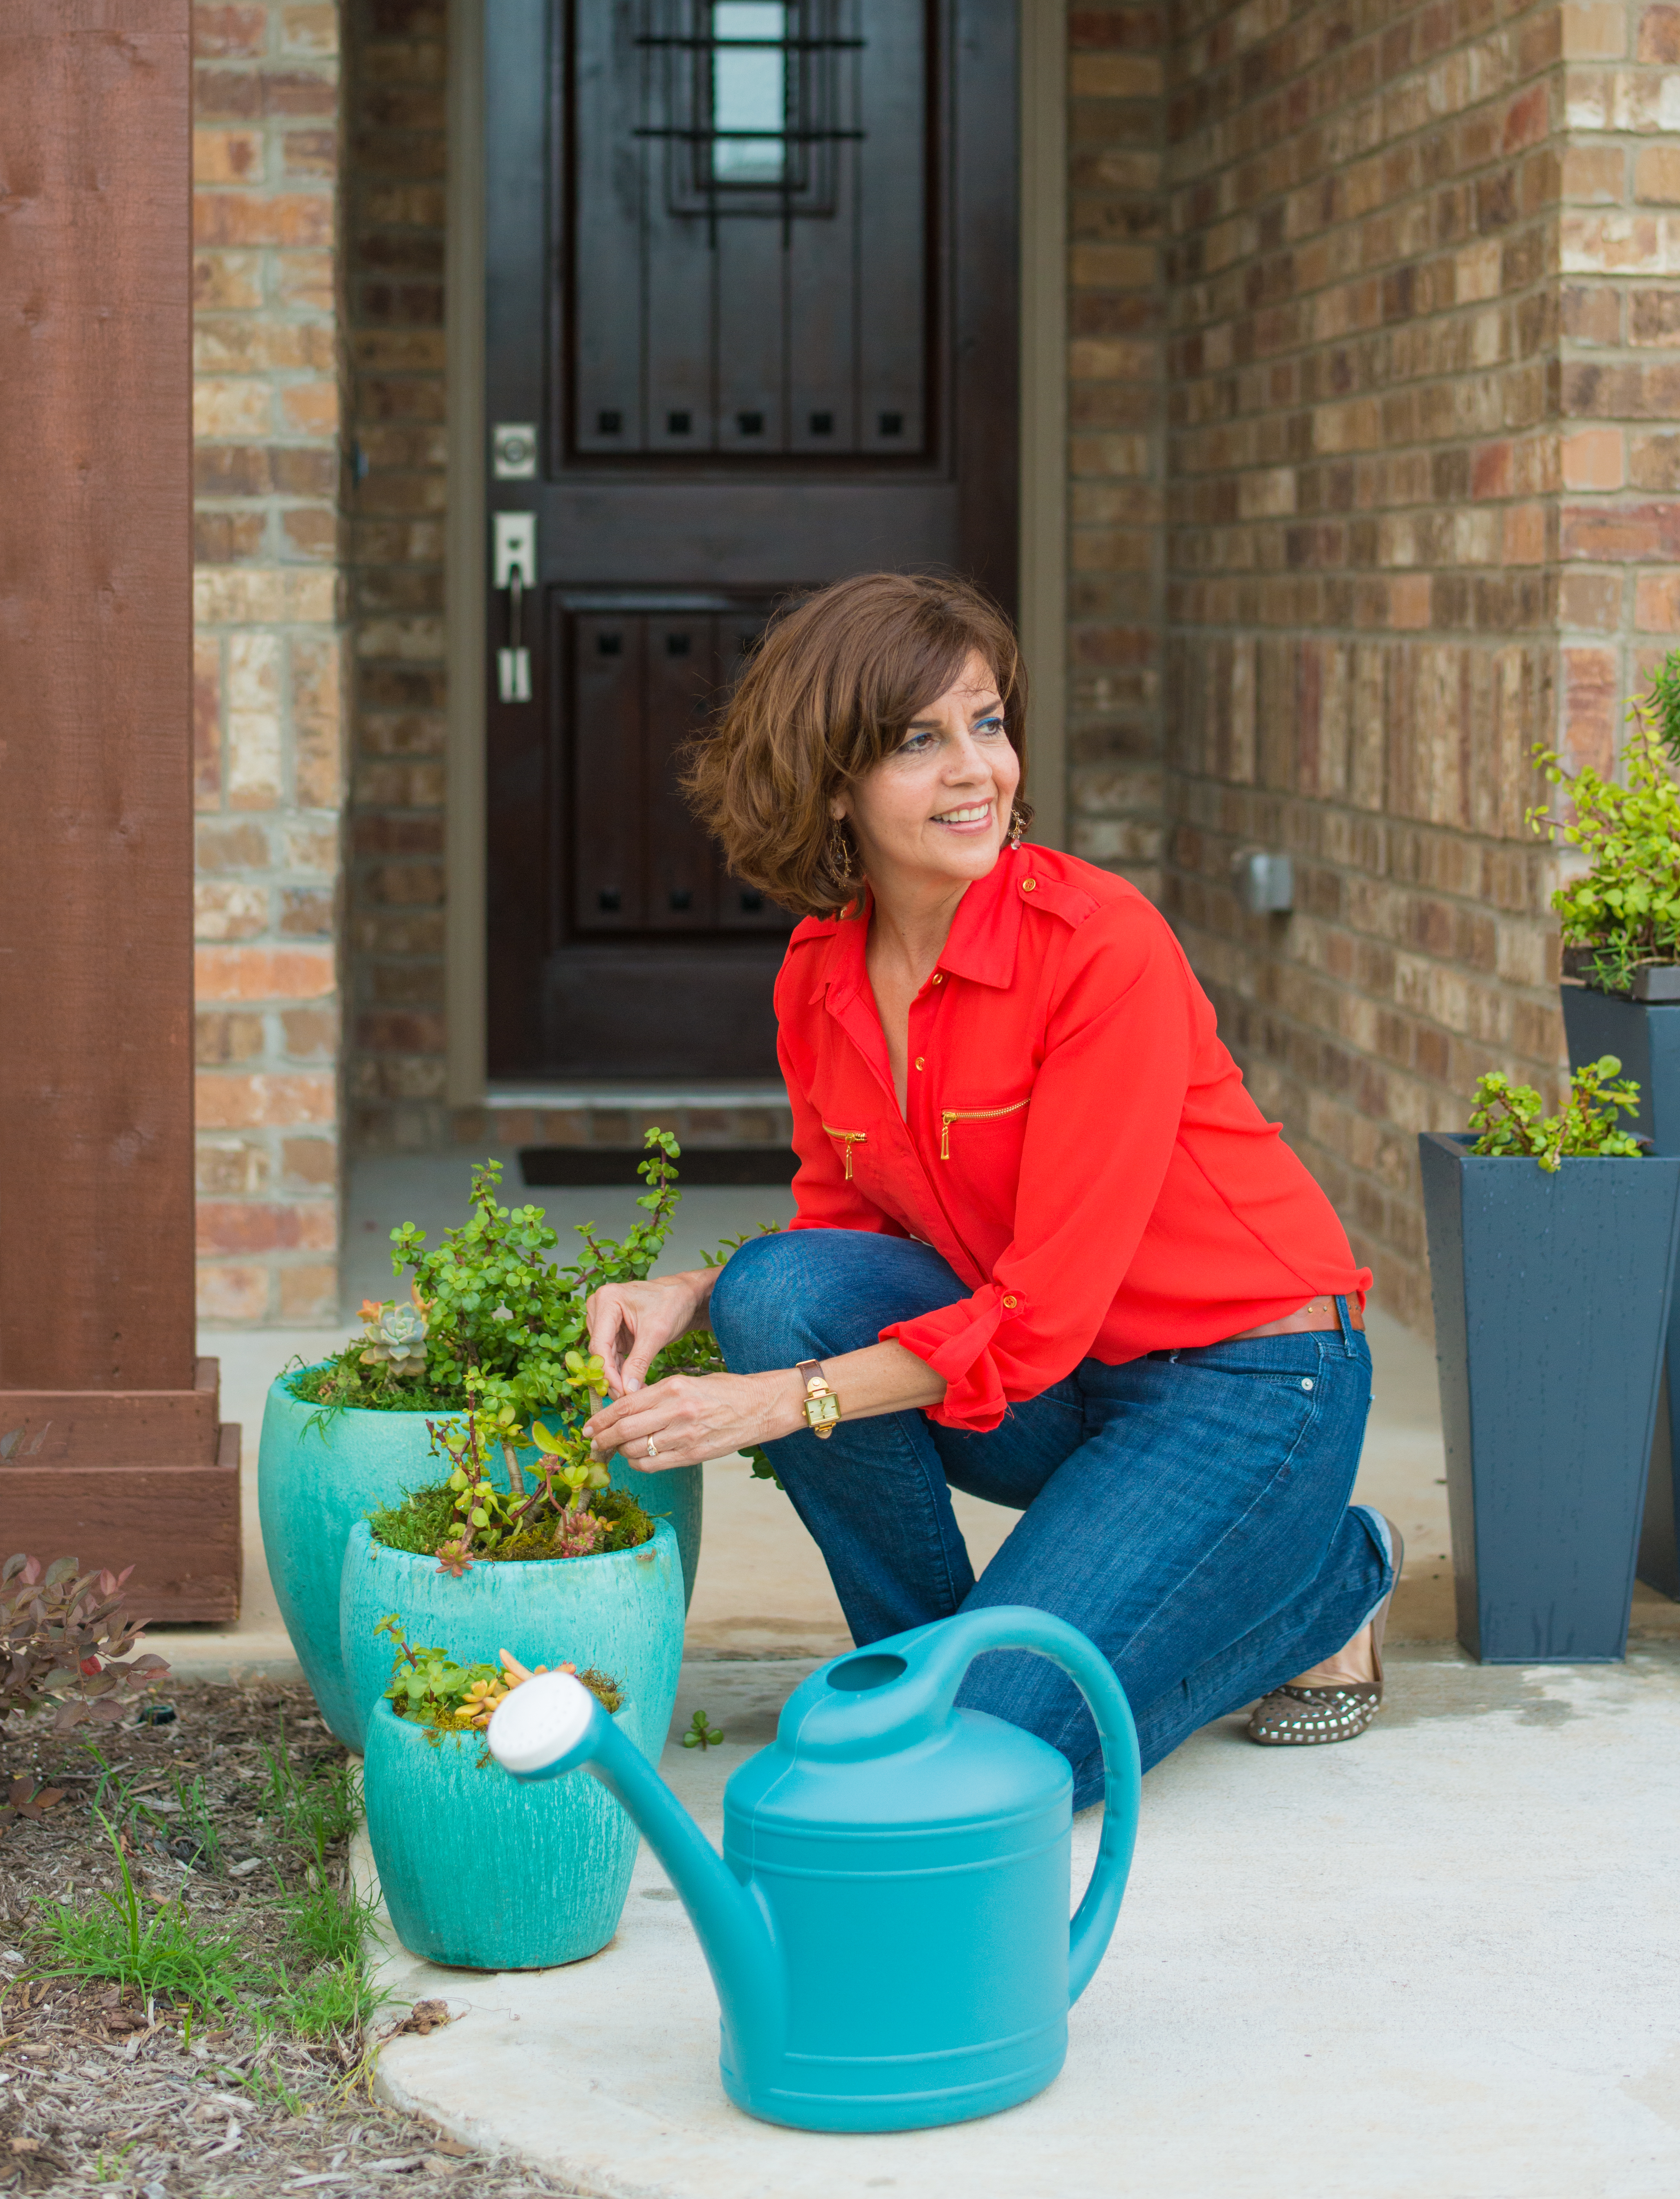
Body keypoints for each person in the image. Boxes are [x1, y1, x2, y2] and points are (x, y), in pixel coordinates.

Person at [585, 572, 1400, 1805]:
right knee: (778, 1288)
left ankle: (1330, 1577)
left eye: (987, 723)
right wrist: (699, 1295)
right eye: (919, 741)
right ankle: (919, 1672)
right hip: (1072, 1386)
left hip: (1251, 1385)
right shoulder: (820, 973)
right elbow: (848, 1244)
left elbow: (1039, 1315)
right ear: (831, 779)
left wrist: (766, 1407)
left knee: (1018, 1763)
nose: (978, 770)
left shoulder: (1098, 946)